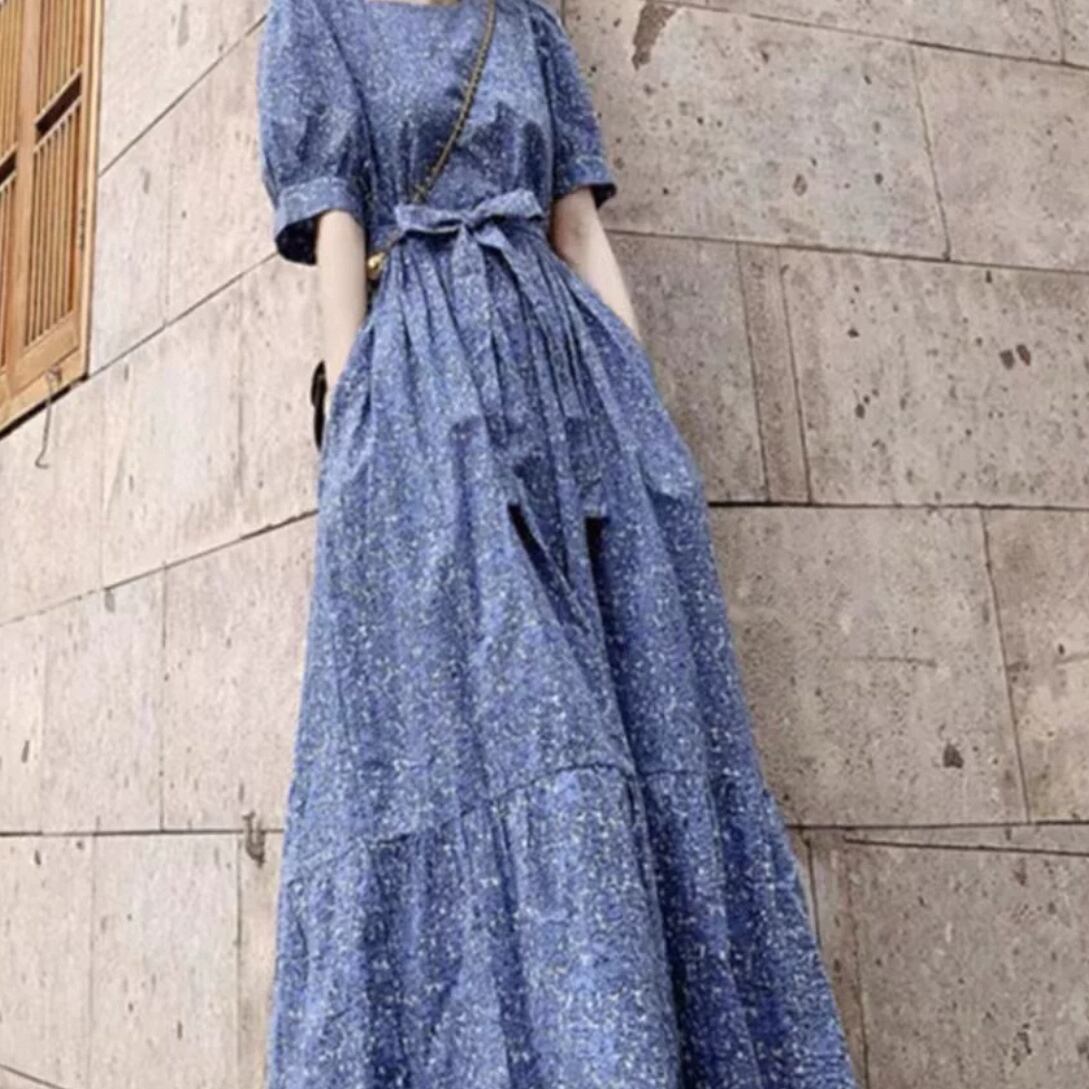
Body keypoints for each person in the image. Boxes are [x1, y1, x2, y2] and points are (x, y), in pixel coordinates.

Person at [256, 0, 860, 1086]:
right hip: (429, 390)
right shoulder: (319, 19)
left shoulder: (525, 21)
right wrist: (357, 441)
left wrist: (645, 419)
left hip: (576, 395)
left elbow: (578, 233)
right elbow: (338, 230)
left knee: (642, 730)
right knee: (534, 735)